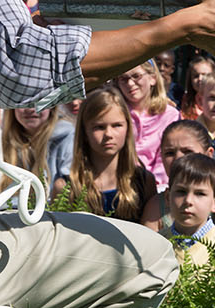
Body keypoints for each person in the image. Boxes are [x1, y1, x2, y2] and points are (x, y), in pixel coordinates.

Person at [53, 87, 157, 226]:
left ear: (127, 128)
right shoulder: (66, 187)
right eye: (99, 127)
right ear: (84, 132)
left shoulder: (144, 182)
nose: (108, 134)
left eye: (117, 125)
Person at [149, 154, 215, 269]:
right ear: (167, 197)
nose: (188, 201)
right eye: (181, 191)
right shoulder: (157, 243)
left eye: (200, 194)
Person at [115, 60, 179, 187]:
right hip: (119, 182)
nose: (130, 83)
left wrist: (153, 185)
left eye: (136, 76)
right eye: (123, 79)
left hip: (157, 186)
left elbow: (166, 156)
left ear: (152, 79)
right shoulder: (116, 111)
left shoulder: (169, 115)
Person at [0, 104, 75, 192]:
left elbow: (70, 188)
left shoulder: (68, 137)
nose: (30, 109)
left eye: (39, 101)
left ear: (52, 106)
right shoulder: (7, 140)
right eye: (22, 102)